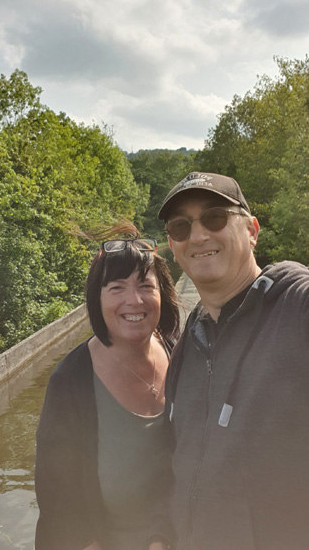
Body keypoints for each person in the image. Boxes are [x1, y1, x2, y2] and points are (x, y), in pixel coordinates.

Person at [158, 171, 309, 550]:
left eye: (214, 218)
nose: (197, 236)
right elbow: (177, 465)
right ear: (173, 247)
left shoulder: (295, 307)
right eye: (180, 227)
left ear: (252, 230)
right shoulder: (187, 344)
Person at [34, 222, 180, 550]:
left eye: (145, 285)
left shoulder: (180, 354)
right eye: (117, 288)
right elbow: (57, 497)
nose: (134, 300)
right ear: (97, 298)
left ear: (163, 293)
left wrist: (163, 538)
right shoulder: (70, 382)